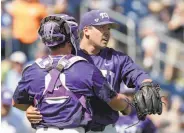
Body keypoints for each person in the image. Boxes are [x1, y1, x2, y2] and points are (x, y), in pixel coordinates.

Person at [26, 10, 162, 133]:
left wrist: (146, 83)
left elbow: (137, 74)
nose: (107, 32)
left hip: (106, 128)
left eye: (108, 28)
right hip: (73, 128)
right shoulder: (68, 57)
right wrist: (30, 109)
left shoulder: (117, 59)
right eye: (101, 28)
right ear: (86, 31)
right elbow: (43, 88)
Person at [12, 14, 132, 133]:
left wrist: (29, 108)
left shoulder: (32, 69)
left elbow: (16, 102)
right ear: (72, 37)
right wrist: (126, 104)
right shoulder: (86, 68)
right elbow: (114, 101)